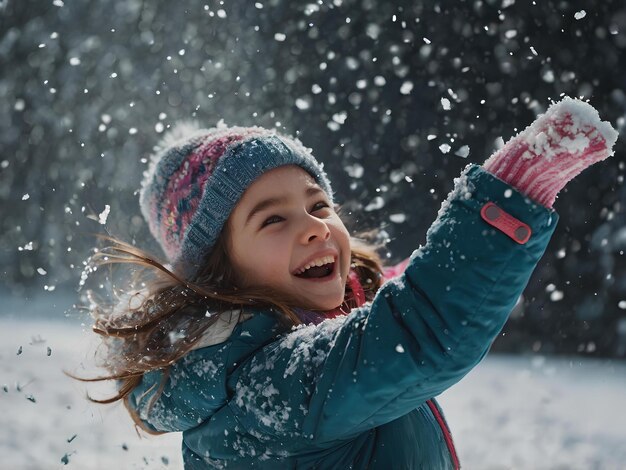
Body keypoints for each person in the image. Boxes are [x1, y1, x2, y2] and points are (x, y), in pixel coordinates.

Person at [79, 97, 617, 469]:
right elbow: (421, 331)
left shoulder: (291, 345)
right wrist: (509, 195)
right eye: (273, 219)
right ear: (222, 275)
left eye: (318, 205)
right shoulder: (268, 385)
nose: (313, 226)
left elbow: (392, 303)